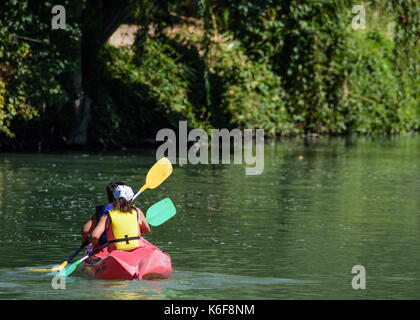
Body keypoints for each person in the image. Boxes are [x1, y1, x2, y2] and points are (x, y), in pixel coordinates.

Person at [90, 184, 151, 252]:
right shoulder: (138, 212)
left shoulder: (108, 215)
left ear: (114, 198)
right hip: (137, 249)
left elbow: (94, 236)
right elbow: (147, 230)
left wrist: (96, 246)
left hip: (116, 251)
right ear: (131, 198)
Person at [81, 181, 125, 246]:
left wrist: (86, 240)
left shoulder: (102, 210)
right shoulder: (130, 210)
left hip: (103, 244)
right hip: (124, 244)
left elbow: (85, 230)